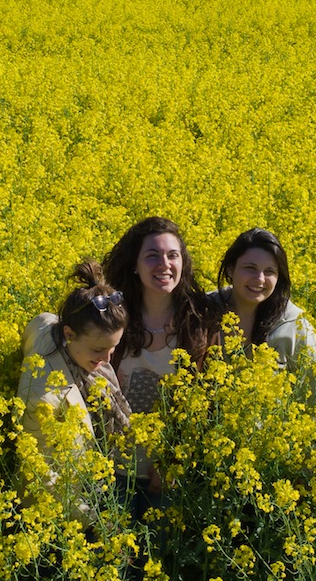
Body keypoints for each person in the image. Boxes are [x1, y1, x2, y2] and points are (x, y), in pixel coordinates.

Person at [102, 216, 213, 518]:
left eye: (172, 255)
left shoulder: (199, 324)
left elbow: (203, 399)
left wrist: (172, 460)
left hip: (164, 474)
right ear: (134, 266)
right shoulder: (109, 317)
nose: (164, 264)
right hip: (108, 469)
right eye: (152, 256)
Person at [17, 260, 132, 528]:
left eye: (113, 348)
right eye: (98, 350)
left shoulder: (54, 331)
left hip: (89, 487)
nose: (107, 360)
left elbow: (43, 321)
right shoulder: (43, 397)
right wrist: (96, 523)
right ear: (69, 333)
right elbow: (43, 476)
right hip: (56, 517)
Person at [211, 227, 316, 404]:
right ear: (231, 269)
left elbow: (310, 403)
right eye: (250, 268)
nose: (260, 279)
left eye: (269, 271)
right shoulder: (204, 309)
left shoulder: (296, 326)